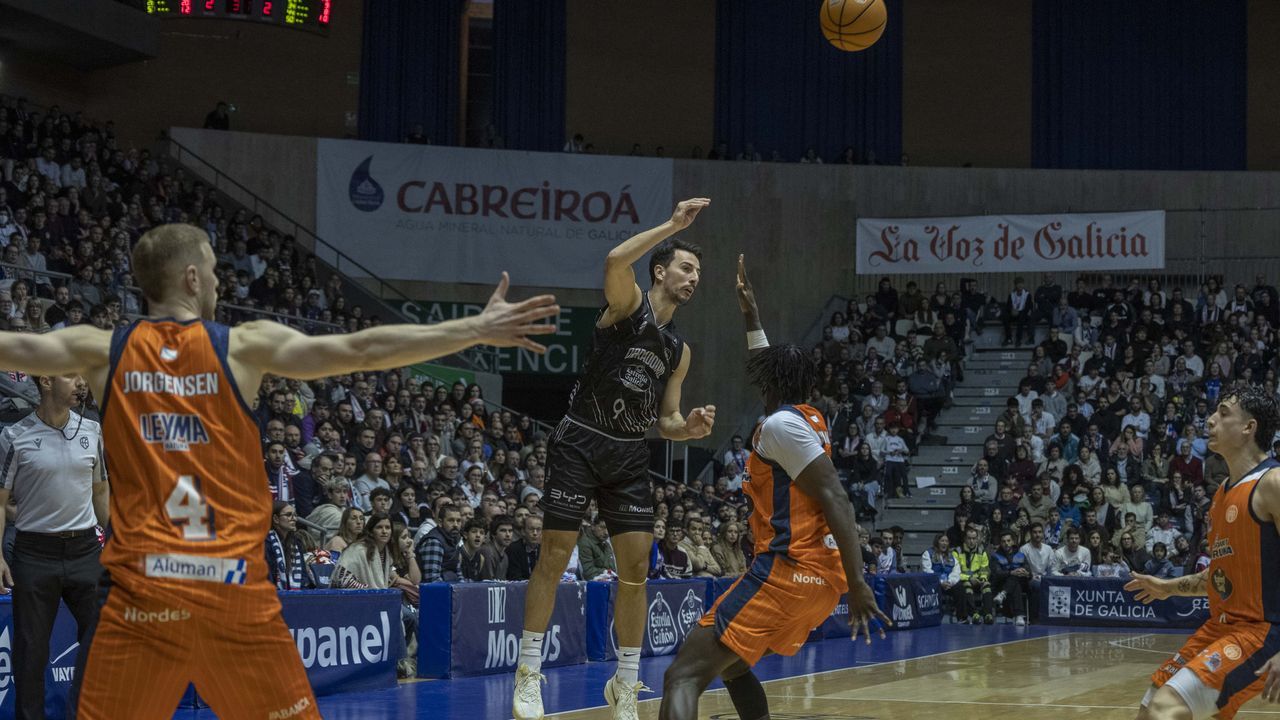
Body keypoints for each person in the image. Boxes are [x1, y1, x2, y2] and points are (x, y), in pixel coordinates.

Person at [0, 223, 558, 718]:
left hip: (143, 600)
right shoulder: (243, 347)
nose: (220, 284)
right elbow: (362, 350)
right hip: (233, 600)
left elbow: (10, 346)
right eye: (216, 272)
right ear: (192, 278)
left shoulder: (100, 351)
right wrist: (473, 330)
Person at [656, 257, 889, 720]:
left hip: (787, 571)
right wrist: (751, 316)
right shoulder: (806, 417)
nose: (756, 374)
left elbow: (838, 499)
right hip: (816, 584)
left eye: (763, 373)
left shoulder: (781, 426)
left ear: (771, 384)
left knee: (681, 676)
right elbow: (767, 364)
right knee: (736, 666)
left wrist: (860, 582)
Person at [515, 200, 716, 720]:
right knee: (555, 555)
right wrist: (672, 227)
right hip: (581, 440)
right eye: (686, 267)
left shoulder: (679, 350)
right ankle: (528, 671)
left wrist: (686, 428)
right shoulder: (629, 306)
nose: (694, 278)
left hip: (629, 455)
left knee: (635, 572)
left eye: (698, 273)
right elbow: (612, 262)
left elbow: (666, 420)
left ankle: (625, 683)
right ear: (660, 270)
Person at [1126, 387, 1280, 720]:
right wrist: (1167, 587)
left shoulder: (1273, 483)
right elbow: (1222, 576)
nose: (1210, 419)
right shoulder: (1221, 495)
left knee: (1165, 710)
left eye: (1223, 413)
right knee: (1147, 709)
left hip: (1261, 633)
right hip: (1219, 628)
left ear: (1248, 428)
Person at [0, 373, 108, 720]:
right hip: (34, 554)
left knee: (104, 641)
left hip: (86, 551)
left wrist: (117, 542)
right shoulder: (14, 436)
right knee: (31, 652)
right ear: (46, 380)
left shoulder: (92, 431)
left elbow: (101, 491)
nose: (81, 382)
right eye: (72, 375)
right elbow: (1, 503)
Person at [266, 501, 315, 591]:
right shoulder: (266, 543)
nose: (294, 519)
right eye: (289, 515)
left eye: (295, 515)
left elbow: (303, 576)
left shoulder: (296, 543)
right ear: (276, 519)